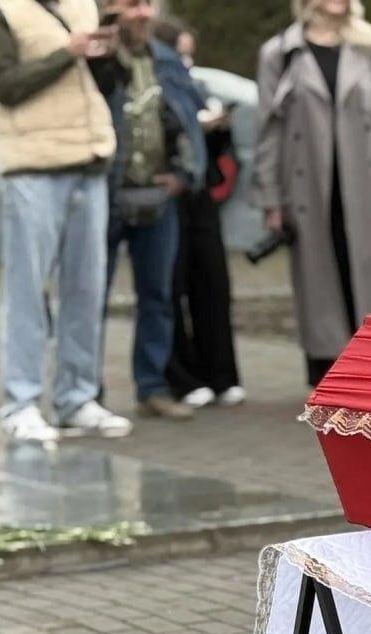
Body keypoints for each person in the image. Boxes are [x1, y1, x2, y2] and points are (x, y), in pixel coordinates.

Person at [0, 0, 131, 442]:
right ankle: (20, 404)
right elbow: (4, 86)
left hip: (89, 159)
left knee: (85, 287)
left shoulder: (83, 4)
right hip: (32, 166)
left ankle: (76, 399)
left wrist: (107, 54)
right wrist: (68, 52)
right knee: (27, 289)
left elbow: (102, 83)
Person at [254, 0, 371, 387]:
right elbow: (268, 130)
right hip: (308, 186)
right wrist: (271, 197)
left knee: (367, 275)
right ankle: (328, 371)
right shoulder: (281, 53)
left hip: (362, 184)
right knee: (319, 278)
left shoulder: (370, 45)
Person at [100, 0, 208, 422]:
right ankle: (85, 392)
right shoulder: (96, 59)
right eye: (131, 5)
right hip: (105, 194)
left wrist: (184, 174)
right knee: (91, 296)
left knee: (158, 296)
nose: (143, 14)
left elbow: (190, 118)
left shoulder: (165, 59)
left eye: (147, 4)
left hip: (157, 196)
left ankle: (152, 387)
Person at [153, 18, 245, 409]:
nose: (187, 63)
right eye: (181, 54)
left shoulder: (195, 87)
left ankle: (221, 373)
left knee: (212, 282)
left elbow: (220, 150)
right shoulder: (154, 85)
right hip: (168, 193)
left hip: (200, 194)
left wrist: (217, 127)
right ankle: (182, 376)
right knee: (170, 284)